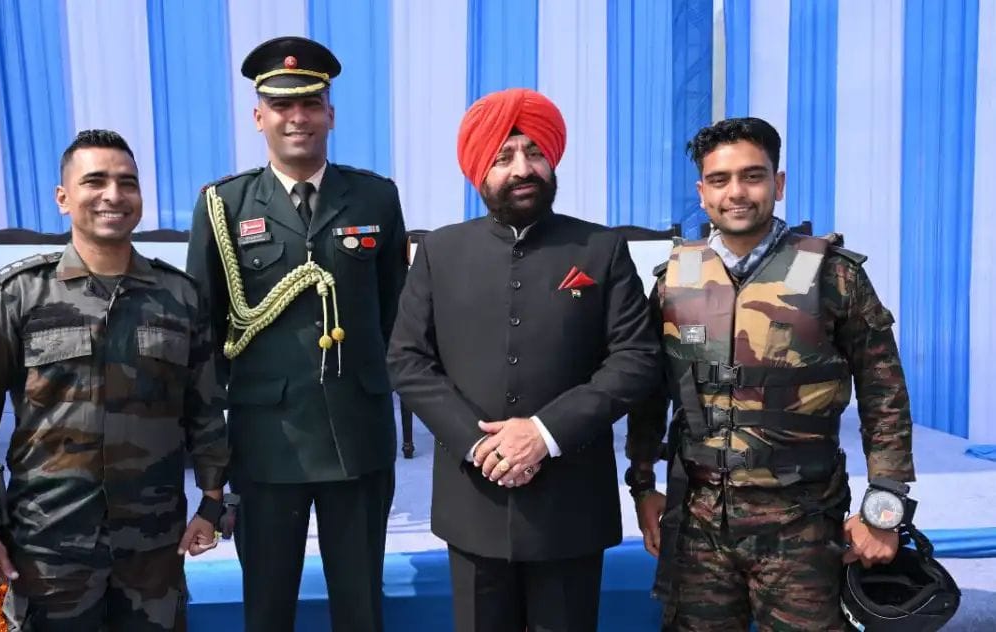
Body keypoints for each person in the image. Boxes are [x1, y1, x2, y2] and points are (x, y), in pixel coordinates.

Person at [387, 87, 662, 632]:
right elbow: (408, 360)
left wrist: (544, 433)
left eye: (534, 152)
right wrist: (480, 444)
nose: (522, 168)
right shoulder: (440, 251)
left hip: (570, 504)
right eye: (503, 156)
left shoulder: (600, 249)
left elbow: (635, 359)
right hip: (474, 501)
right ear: (479, 171)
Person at [625, 117, 917, 631]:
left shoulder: (834, 274)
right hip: (699, 529)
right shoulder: (675, 278)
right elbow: (649, 391)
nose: (736, 192)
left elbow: (884, 393)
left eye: (752, 176)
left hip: (802, 527)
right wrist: (643, 484)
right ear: (702, 192)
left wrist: (885, 504)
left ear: (777, 184)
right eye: (719, 180)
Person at [0, 129, 230, 630]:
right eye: (95, 181)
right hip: (49, 544)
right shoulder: (18, 295)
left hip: (153, 548)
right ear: (63, 198)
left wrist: (212, 502)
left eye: (127, 183)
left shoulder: (179, 297)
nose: (113, 195)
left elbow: (205, 410)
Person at [185, 36, 407, 632]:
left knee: (361, 606)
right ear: (258, 117)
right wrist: (210, 447)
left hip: (356, 434)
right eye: (281, 106)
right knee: (267, 605)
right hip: (267, 440)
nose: (297, 118)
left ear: (330, 114)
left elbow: (397, 313)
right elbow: (204, 331)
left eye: (311, 104)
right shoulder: (224, 205)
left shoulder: (376, 197)